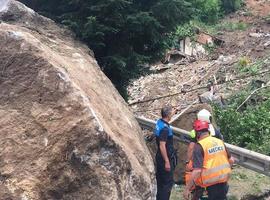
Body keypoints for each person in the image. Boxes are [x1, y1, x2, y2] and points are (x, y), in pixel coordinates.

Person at [184, 120, 234, 200]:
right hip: (223, 181)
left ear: (198, 133)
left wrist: (187, 189)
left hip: (210, 184)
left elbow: (197, 171)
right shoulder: (219, 141)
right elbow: (231, 160)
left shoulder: (199, 146)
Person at [155, 106, 177, 200]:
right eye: (172, 112)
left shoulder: (159, 123)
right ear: (168, 115)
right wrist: (167, 161)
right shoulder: (165, 129)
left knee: (160, 182)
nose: (173, 113)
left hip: (159, 156)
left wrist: (174, 110)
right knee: (167, 184)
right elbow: (162, 145)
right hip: (165, 158)